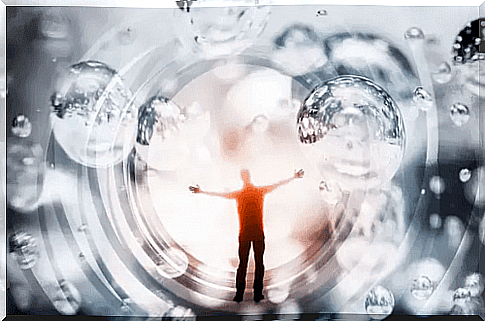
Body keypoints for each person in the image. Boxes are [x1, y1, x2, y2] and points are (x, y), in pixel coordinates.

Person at [189, 168, 304, 303]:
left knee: (251, 264)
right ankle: (250, 294)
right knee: (252, 263)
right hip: (251, 232)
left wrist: (294, 177)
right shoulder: (255, 192)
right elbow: (277, 185)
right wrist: (294, 177)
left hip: (250, 232)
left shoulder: (244, 193)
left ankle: (246, 294)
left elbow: (277, 185)